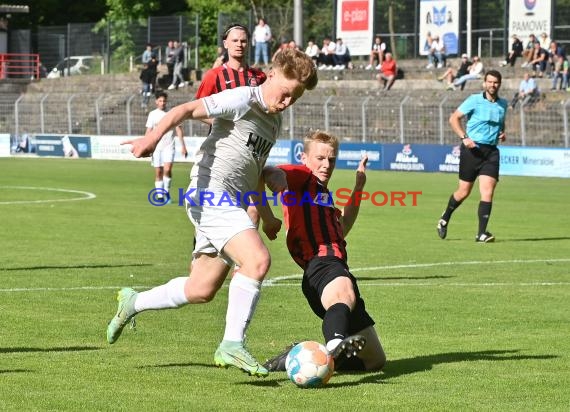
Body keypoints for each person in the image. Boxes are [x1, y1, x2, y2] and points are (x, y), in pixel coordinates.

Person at [106, 48, 319, 378]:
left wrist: (269, 202)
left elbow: (253, 171)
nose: (287, 102)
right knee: (258, 260)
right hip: (209, 194)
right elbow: (187, 108)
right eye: (286, 93)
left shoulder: (273, 121)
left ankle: (133, 302)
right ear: (273, 74)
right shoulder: (242, 99)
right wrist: (152, 137)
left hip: (231, 203)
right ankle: (232, 343)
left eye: (295, 98)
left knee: (201, 288)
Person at [261, 131, 387, 373]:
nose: (326, 165)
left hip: (334, 268)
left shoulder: (323, 196)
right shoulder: (302, 177)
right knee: (343, 296)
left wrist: (359, 187)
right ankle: (334, 343)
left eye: (332, 159)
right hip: (322, 265)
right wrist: (273, 188)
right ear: (304, 158)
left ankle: (299, 356)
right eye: (320, 158)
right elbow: (271, 172)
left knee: (375, 360)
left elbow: (344, 227)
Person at [436, 70, 508, 243]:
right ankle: (444, 218)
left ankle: (481, 233)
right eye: (489, 82)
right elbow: (454, 119)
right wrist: (464, 137)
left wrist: (502, 133)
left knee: (488, 191)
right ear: (484, 83)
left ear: (500, 84)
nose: (492, 85)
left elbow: (501, 124)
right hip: (472, 150)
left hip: (491, 152)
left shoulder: (503, 104)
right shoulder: (474, 100)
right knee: (463, 192)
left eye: (496, 82)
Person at [146, 91, 187, 201]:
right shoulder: (152, 114)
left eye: (164, 101)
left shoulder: (172, 113)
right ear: (156, 102)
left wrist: (183, 146)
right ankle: (160, 196)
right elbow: (148, 131)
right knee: (158, 171)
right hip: (157, 147)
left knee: (167, 169)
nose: (162, 103)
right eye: (160, 100)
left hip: (169, 145)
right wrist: (147, 145)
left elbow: (178, 129)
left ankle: (167, 192)